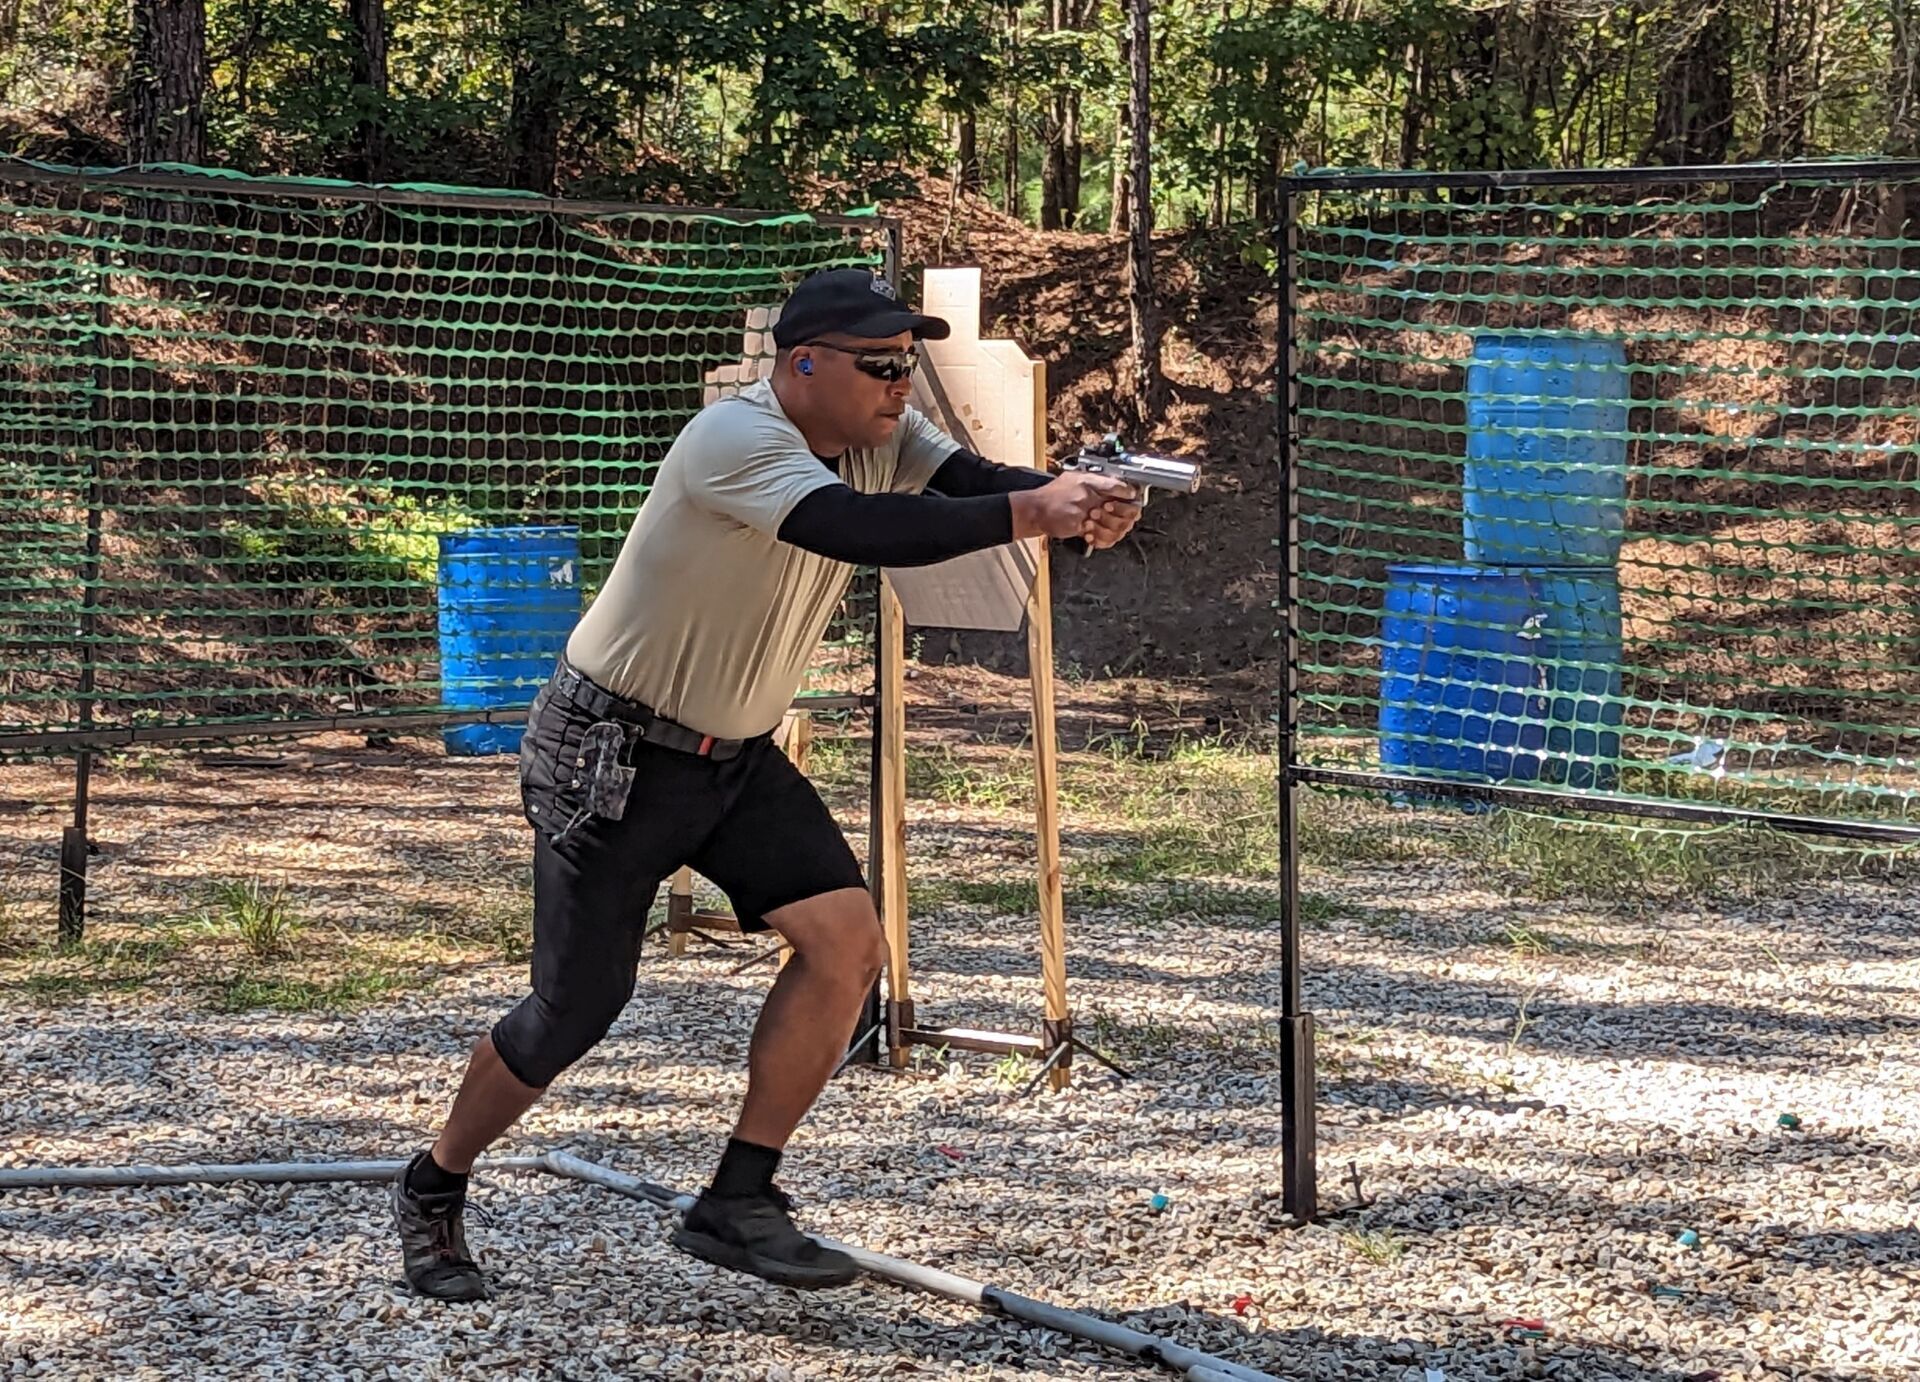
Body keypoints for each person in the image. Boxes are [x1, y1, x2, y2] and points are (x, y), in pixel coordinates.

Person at [392, 267, 1141, 1300]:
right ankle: (434, 1186)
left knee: (848, 946)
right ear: (803, 365)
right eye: (879, 366)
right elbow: (863, 534)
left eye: (906, 365)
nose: (898, 385)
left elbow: (964, 483)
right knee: (575, 1006)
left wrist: (1075, 498)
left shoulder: (883, 435)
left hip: (733, 756)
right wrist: (1037, 511)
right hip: (612, 748)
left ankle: (739, 1197)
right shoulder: (733, 440)